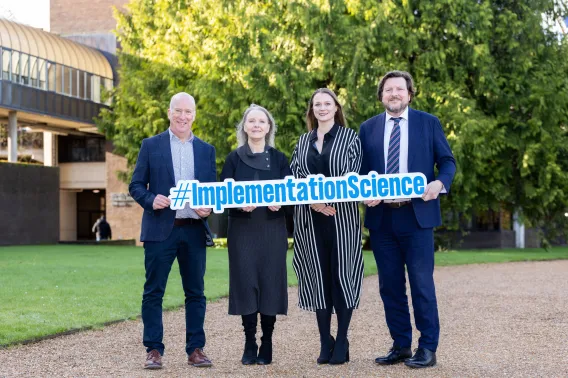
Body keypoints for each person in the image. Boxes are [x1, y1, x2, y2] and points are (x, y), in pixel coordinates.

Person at [359, 71, 456, 368]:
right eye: (388, 89)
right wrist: (364, 192)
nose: (394, 93)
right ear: (381, 96)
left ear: (409, 94)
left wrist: (440, 184)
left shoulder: (429, 123)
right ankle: (401, 345)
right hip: (382, 219)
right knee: (389, 287)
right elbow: (361, 171)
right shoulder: (367, 128)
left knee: (421, 284)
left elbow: (448, 162)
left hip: (417, 217)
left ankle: (427, 347)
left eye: (399, 89)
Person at [129, 92, 217, 370]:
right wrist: (150, 199)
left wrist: (209, 208)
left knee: (196, 292)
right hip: (160, 229)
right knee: (153, 292)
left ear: (194, 115)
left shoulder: (206, 150)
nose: (182, 116)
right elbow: (136, 185)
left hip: (193, 230)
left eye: (188, 112)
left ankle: (196, 349)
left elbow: (211, 193)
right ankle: (153, 350)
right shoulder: (150, 145)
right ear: (169, 113)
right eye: (177, 111)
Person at [290, 88, 364, 365]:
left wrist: (326, 199)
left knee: (342, 276)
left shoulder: (350, 138)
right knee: (317, 277)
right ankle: (325, 341)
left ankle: (342, 339)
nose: (322, 108)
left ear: (336, 108)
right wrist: (313, 203)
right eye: (317, 104)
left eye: (327, 103)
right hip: (310, 221)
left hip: (342, 218)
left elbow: (353, 174)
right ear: (312, 110)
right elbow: (296, 175)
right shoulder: (302, 141)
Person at [220, 104, 290, 366]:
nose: (257, 125)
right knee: (246, 283)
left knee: (270, 282)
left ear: (269, 127)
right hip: (243, 230)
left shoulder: (280, 158)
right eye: (252, 121)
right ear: (245, 126)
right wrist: (238, 203)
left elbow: (291, 193)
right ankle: (249, 341)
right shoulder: (233, 159)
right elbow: (223, 196)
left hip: (271, 229)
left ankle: (267, 341)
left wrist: (281, 202)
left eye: (262, 121)